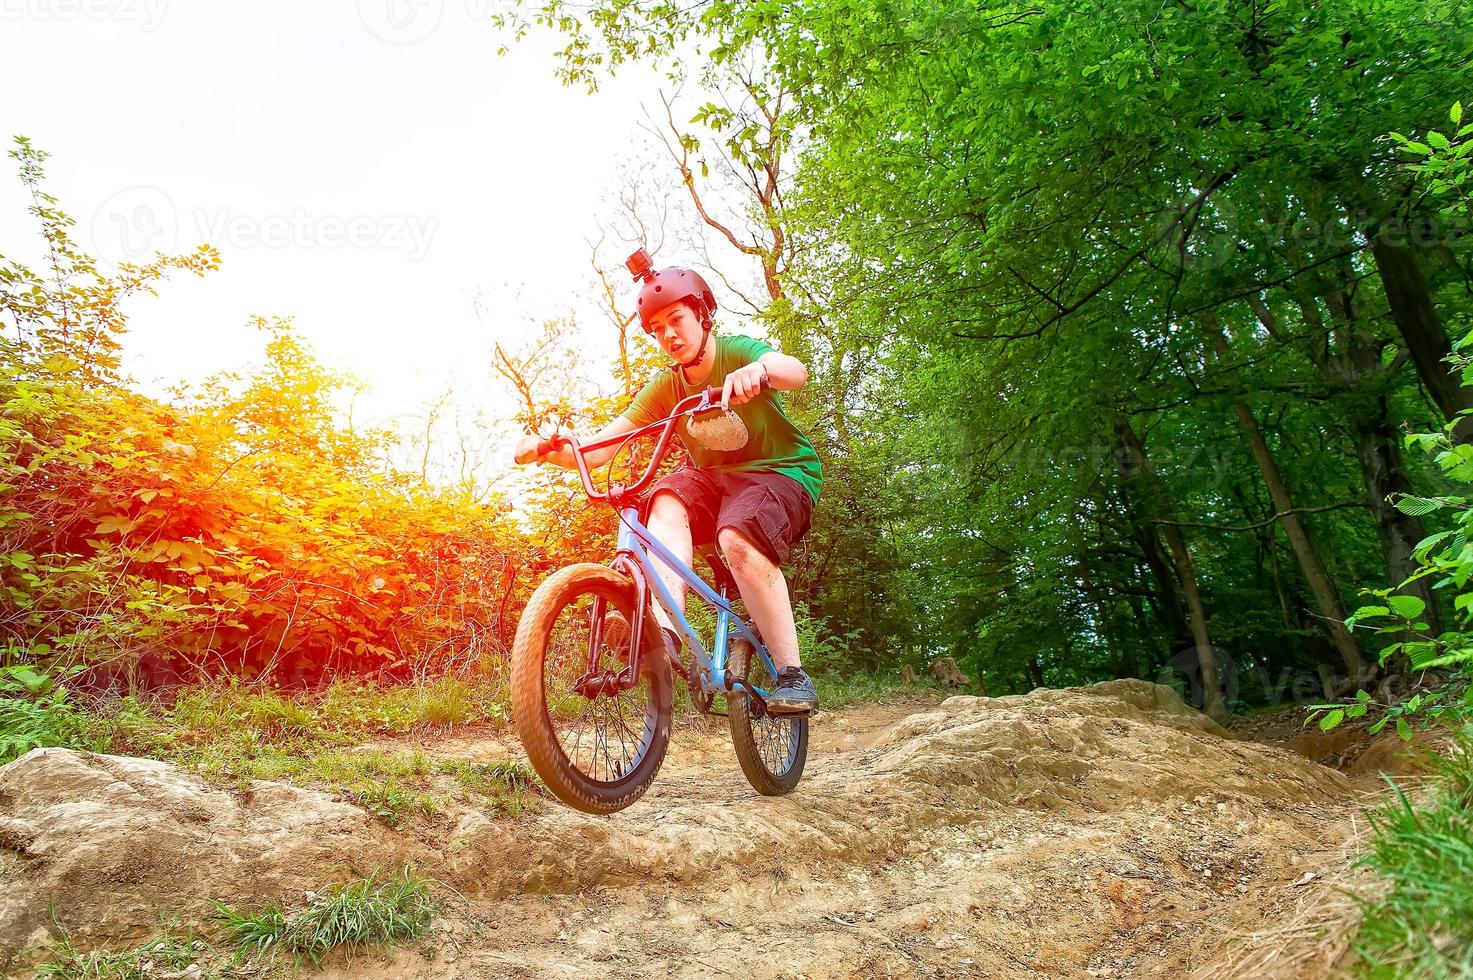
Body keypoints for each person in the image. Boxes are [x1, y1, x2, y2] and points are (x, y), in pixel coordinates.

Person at [514, 262, 822, 711]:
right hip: (718, 482)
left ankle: (793, 675)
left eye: (677, 320)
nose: (669, 335)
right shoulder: (667, 387)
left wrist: (760, 369)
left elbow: (794, 371)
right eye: (657, 329)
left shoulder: (737, 352)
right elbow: (600, 448)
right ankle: (666, 631)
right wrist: (545, 448)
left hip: (781, 474)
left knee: (735, 538)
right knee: (665, 495)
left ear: (702, 315)